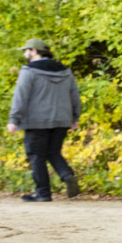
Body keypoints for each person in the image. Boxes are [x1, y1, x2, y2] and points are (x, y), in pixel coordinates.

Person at [7, 38, 81, 202]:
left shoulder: (28, 71)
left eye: (26, 50)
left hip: (37, 120)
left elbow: (21, 96)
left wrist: (14, 119)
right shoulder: (65, 70)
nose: (25, 53)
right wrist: (75, 117)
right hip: (62, 119)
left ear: (34, 51)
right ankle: (67, 175)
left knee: (36, 155)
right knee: (53, 152)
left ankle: (43, 193)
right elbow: (74, 94)